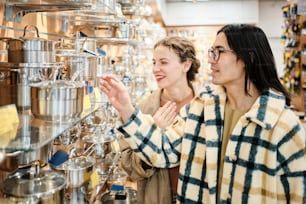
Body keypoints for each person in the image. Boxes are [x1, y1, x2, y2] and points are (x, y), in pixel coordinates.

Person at [100, 24, 306, 203]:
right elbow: (163, 150)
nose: (210, 59)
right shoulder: (202, 108)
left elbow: (298, 194)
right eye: (211, 52)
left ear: (247, 58)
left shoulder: (282, 124)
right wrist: (126, 108)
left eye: (219, 52)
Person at [119, 36, 201, 204]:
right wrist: (151, 132)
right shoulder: (143, 110)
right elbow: (129, 167)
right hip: (155, 197)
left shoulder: (205, 106)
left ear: (186, 65)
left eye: (163, 62)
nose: (155, 69)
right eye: (154, 62)